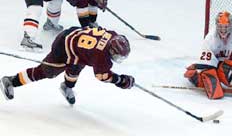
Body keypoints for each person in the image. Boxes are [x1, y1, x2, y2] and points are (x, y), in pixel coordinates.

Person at [0, 26, 135, 105]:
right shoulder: (101, 56)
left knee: (75, 68)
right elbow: (102, 76)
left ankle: (67, 87)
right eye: (117, 56)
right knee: (46, 72)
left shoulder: (114, 35)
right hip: (63, 47)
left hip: (75, 39)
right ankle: (11, 81)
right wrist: (122, 81)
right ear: (111, 50)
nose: (117, 59)